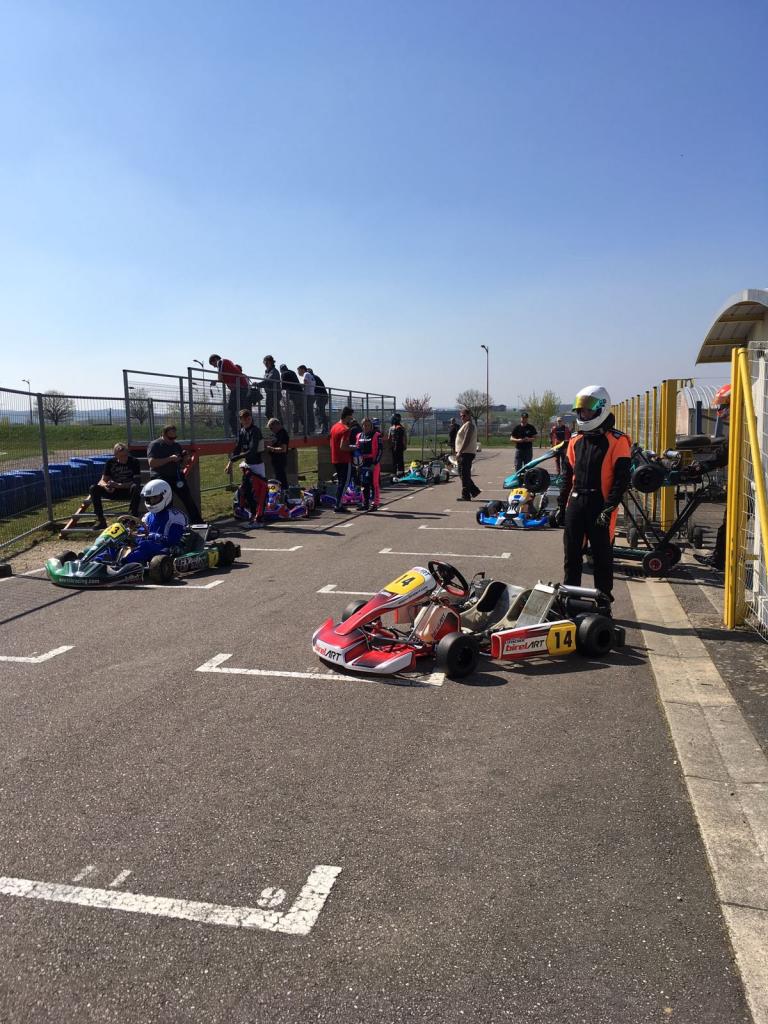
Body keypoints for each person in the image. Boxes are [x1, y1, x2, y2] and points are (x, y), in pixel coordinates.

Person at [554, 385, 631, 601]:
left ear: (602, 408)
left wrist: (610, 508)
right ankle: (571, 601)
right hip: (576, 503)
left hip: (601, 505)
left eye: (588, 410)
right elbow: (567, 478)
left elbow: (621, 479)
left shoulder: (618, 440)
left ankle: (603, 602)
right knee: (572, 556)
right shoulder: (576, 440)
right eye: (581, 410)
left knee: (602, 558)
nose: (584, 414)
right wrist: (561, 506)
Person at [694, 383, 730, 571]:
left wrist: (703, 466)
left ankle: (719, 559)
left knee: (730, 522)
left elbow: (724, 453)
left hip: (750, 484)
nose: (722, 411)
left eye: (724, 406)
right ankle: (719, 557)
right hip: (747, 484)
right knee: (729, 522)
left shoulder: (746, 426)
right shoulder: (745, 425)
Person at [120, 480, 188, 566]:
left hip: (167, 549)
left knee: (146, 545)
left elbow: (173, 540)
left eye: (155, 497)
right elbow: (141, 534)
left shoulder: (176, 516)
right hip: (148, 547)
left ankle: (122, 563)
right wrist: (131, 535)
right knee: (118, 543)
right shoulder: (147, 516)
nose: (151, 501)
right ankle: (100, 561)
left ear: (165, 495)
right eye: (149, 498)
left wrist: (152, 535)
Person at [147, 424, 203, 523]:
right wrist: (170, 459)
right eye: (170, 437)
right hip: (160, 476)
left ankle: (197, 521)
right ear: (163, 434)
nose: (172, 440)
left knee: (187, 497)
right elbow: (152, 463)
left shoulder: (176, 445)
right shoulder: (155, 445)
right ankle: (166, 522)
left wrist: (185, 459)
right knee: (167, 500)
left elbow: (182, 462)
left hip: (176, 475)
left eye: (174, 437)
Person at [226, 409, 268, 528]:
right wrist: (230, 461)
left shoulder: (255, 431)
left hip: (257, 466)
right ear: (240, 420)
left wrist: (235, 459)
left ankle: (259, 519)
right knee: (247, 492)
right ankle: (254, 516)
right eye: (243, 418)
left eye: (248, 418)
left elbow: (252, 451)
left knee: (258, 493)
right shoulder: (242, 431)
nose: (246, 420)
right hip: (247, 465)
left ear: (251, 418)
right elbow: (238, 448)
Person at [89, 442, 142, 529]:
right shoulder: (110, 462)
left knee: (135, 488)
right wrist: (106, 486)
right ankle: (101, 520)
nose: (124, 458)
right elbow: (102, 480)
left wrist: (119, 485)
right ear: (115, 455)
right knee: (93, 488)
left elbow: (136, 481)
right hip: (114, 490)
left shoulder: (134, 462)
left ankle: (131, 519)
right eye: (121, 456)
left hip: (128, 490)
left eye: (125, 455)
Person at [209, 354, 250, 437]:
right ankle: (243, 431)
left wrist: (216, 381)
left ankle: (236, 432)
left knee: (231, 412)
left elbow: (220, 378)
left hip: (239, 388)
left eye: (212, 364)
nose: (214, 367)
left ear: (215, 360)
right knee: (240, 412)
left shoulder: (221, 362)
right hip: (241, 388)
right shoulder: (226, 363)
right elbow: (224, 378)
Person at [353, 417, 382, 512]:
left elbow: (380, 451)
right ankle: (365, 503)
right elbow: (357, 449)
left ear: (371, 426)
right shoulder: (359, 436)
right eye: (364, 425)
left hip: (373, 463)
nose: (366, 427)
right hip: (362, 463)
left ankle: (375, 503)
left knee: (374, 484)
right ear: (362, 426)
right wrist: (357, 464)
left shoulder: (377, 435)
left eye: (368, 425)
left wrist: (375, 463)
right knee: (364, 484)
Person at [330, 406, 355, 512]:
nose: (351, 420)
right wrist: (355, 446)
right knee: (344, 483)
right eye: (350, 417)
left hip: (335, 458)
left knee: (341, 482)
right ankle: (338, 504)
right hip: (344, 459)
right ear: (347, 416)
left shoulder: (334, 426)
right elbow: (343, 446)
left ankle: (338, 502)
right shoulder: (345, 429)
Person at [455, 408, 481, 501]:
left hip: (466, 453)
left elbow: (467, 439)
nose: (462, 417)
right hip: (464, 453)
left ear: (469, 415)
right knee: (462, 473)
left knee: (464, 474)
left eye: (464, 415)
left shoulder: (469, 425)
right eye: (461, 416)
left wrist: (460, 451)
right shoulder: (466, 424)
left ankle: (466, 495)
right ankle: (474, 490)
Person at [266, 416, 290, 490]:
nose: (271, 430)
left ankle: (284, 492)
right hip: (276, 460)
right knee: (278, 478)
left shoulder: (283, 434)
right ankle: (280, 492)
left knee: (281, 478)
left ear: (276, 425)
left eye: (271, 428)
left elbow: (283, 449)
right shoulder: (277, 434)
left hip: (280, 459)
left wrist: (271, 449)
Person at [279, 364, 304, 434]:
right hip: (300, 394)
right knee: (301, 412)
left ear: (281, 370)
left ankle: (295, 430)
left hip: (293, 395)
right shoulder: (292, 372)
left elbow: (283, 386)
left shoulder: (283, 373)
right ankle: (306, 428)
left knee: (294, 413)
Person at [259, 355, 282, 421]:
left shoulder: (274, 371)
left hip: (275, 394)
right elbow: (266, 382)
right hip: (269, 394)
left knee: (275, 413)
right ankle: (276, 427)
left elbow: (268, 381)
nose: (265, 364)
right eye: (264, 363)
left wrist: (258, 384)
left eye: (266, 362)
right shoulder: (267, 371)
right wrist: (259, 384)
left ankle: (279, 427)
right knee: (269, 413)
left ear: (270, 362)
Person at [296, 365, 316, 435]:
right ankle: (311, 428)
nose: (298, 372)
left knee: (307, 412)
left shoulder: (306, 374)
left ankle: (309, 429)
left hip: (308, 396)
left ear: (302, 369)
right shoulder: (310, 375)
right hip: (311, 395)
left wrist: (296, 385)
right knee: (310, 412)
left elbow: (305, 384)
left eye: (298, 370)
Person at [310, 368, 329, 434]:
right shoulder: (315, 377)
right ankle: (323, 427)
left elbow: (313, 388)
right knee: (318, 412)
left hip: (322, 397)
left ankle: (325, 428)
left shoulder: (313, 377)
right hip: (322, 396)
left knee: (321, 412)